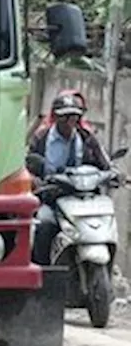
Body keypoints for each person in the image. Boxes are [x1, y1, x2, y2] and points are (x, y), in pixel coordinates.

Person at [28, 93, 113, 265]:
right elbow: (27, 166)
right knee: (44, 224)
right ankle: (45, 272)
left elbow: (105, 164)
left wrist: (113, 174)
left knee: (105, 223)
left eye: (73, 116)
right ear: (55, 117)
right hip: (52, 198)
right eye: (64, 117)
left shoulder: (87, 138)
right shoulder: (41, 138)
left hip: (84, 200)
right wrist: (37, 181)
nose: (69, 122)